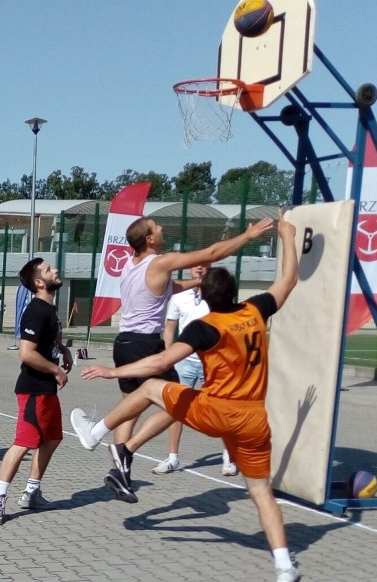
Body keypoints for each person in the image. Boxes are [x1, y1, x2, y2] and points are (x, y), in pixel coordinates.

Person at [70, 210, 300, 582]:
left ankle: (109, 443)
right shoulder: (256, 310)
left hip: (212, 409)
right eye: (157, 227)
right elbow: (286, 280)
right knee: (261, 491)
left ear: (205, 297)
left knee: (150, 391)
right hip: (255, 419)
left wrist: (112, 371)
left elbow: (162, 353)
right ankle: (284, 564)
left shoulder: (195, 320)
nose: (161, 229)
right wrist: (281, 235)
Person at [70, 213, 274, 500]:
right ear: (150, 238)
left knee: (131, 406)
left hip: (125, 342)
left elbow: (168, 289)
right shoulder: (160, 261)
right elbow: (212, 252)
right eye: (156, 227)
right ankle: (106, 441)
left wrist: (196, 283)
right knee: (180, 401)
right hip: (145, 344)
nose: (162, 227)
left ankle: (119, 469)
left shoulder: (132, 264)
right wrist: (248, 237)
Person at [0, 257, 72, 526]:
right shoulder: (36, 310)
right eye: (48, 270)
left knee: (52, 439)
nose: (55, 270)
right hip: (33, 390)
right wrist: (56, 370)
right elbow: (26, 353)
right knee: (23, 444)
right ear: (38, 282)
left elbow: (49, 340)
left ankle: (31, 491)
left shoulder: (50, 309)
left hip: (46, 391)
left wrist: (64, 350)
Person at [151, 262, 238, 477]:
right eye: (195, 266)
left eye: (204, 265)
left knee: (221, 408)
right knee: (176, 408)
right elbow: (170, 329)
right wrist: (169, 356)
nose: (199, 269)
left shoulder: (216, 296)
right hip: (185, 361)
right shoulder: (178, 297)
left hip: (213, 361)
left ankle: (229, 457)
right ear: (189, 269)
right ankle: (172, 457)